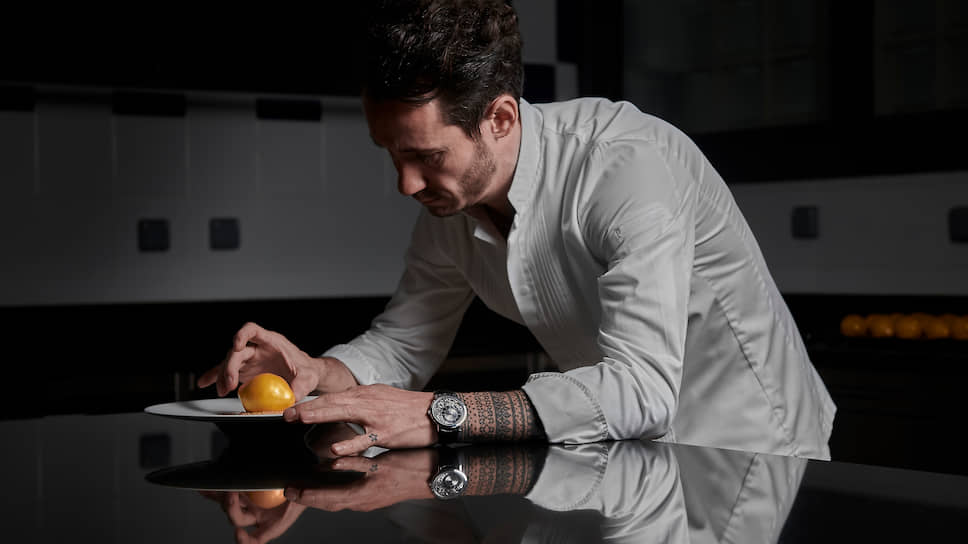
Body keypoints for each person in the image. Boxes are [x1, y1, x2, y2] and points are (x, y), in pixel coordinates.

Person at [199, 0, 835, 460]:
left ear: (500, 119)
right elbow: (403, 345)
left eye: (426, 156)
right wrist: (318, 371)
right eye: (391, 155)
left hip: (756, 453)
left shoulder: (626, 167)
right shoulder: (452, 207)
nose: (406, 184)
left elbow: (641, 389)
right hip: (634, 452)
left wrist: (443, 414)